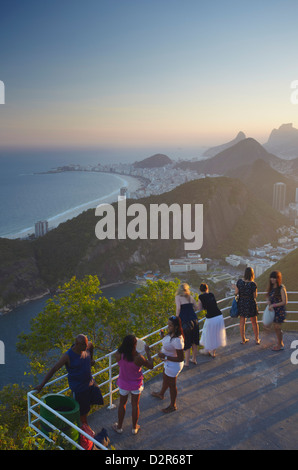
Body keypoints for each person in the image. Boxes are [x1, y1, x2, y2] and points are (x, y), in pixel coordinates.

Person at [35, 334, 103, 433]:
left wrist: (91, 359)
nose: (86, 347)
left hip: (90, 383)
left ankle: (84, 425)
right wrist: (42, 385)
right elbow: (54, 369)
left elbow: (91, 345)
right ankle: (86, 431)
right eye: (84, 345)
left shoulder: (86, 346)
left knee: (95, 400)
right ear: (77, 344)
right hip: (79, 388)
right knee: (82, 412)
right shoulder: (68, 356)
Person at [112, 335, 153, 435]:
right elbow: (151, 366)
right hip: (136, 383)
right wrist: (148, 352)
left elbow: (121, 363)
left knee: (122, 404)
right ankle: (134, 428)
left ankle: (119, 427)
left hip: (123, 382)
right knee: (135, 405)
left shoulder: (118, 354)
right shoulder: (139, 358)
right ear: (134, 345)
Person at [151, 316, 185, 413]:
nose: (168, 327)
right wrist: (162, 335)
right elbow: (168, 343)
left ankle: (172, 405)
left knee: (172, 385)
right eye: (168, 324)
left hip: (174, 365)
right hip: (168, 363)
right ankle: (161, 394)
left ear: (176, 327)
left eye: (170, 325)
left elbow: (180, 358)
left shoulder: (177, 340)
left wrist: (164, 357)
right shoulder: (171, 334)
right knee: (165, 378)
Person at [198, 283, 227, 357]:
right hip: (219, 316)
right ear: (207, 289)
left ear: (200, 290)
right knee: (216, 334)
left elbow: (200, 308)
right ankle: (212, 352)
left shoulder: (200, 297)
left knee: (208, 334)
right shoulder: (211, 294)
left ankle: (208, 350)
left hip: (211, 317)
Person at [234, 267, 260, 345]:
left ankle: (243, 339)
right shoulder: (253, 284)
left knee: (242, 322)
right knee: (254, 322)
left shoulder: (239, 282)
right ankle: (256, 339)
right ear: (252, 274)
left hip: (241, 303)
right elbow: (255, 296)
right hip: (250, 303)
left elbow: (236, 293)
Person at [175, 283, 200, 366]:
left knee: (187, 343)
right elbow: (196, 308)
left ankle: (187, 363)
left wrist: (176, 319)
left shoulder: (178, 297)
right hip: (194, 320)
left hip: (185, 322)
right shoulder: (191, 298)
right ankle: (194, 359)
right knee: (194, 342)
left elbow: (178, 308)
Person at [266, 270, 288, 351]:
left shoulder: (281, 288)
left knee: (277, 327)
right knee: (276, 328)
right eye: (271, 277)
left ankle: (280, 344)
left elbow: (285, 301)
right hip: (273, 311)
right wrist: (268, 301)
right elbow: (268, 296)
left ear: (277, 278)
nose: (272, 279)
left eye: (274, 278)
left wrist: (273, 305)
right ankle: (280, 342)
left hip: (279, 311)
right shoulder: (272, 288)